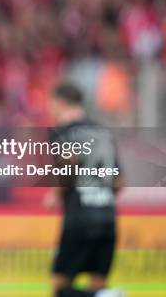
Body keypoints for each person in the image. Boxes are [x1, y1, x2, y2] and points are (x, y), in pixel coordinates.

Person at [45, 83, 124, 297]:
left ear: (60, 103)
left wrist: (56, 193)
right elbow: (119, 182)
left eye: (51, 104)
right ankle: (103, 295)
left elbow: (68, 164)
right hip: (107, 217)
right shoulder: (103, 132)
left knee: (60, 286)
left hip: (80, 218)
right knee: (98, 282)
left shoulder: (64, 131)